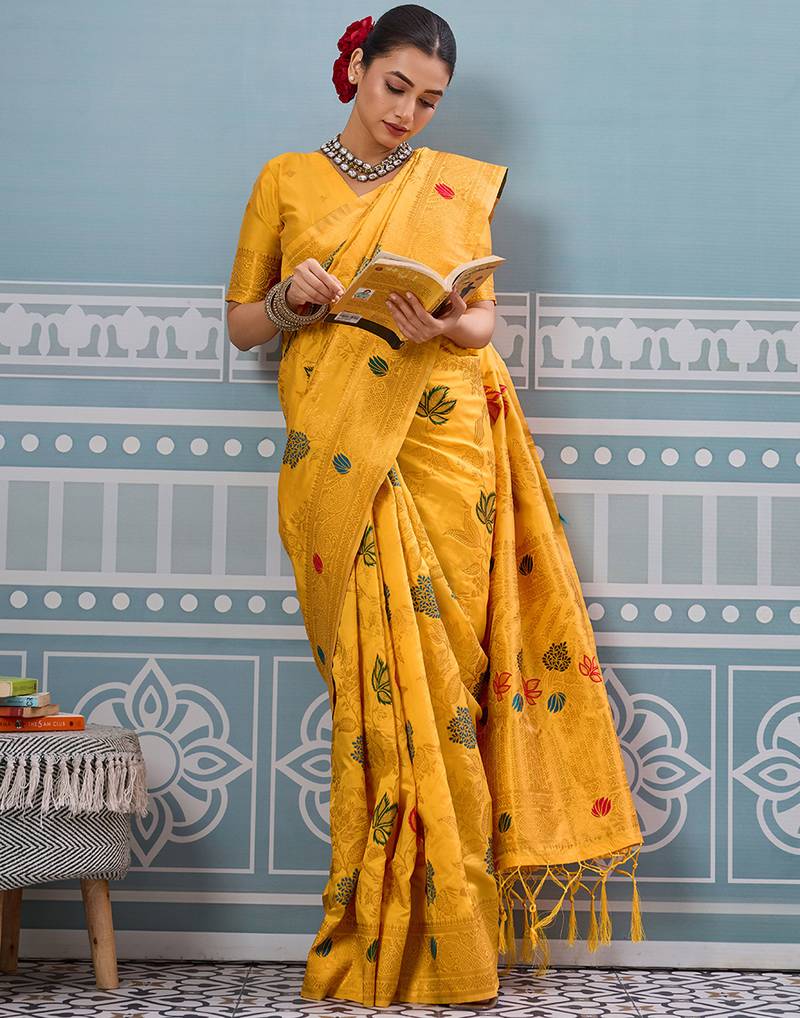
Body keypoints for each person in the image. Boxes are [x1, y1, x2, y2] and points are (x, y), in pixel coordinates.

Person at [226, 4, 644, 1009]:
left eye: (428, 99)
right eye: (395, 86)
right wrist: (293, 301)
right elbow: (241, 322)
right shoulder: (285, 180)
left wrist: (450, 323)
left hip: (446, 443)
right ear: (356, 69)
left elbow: (483, 316)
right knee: (372, 689)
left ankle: (454, 938)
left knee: (447, 682)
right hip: (339, 453)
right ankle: (377, 933)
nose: (407, 112)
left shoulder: (451, 185)